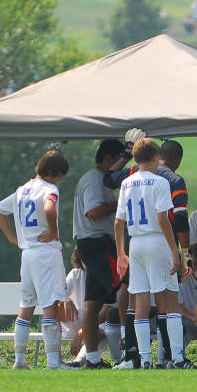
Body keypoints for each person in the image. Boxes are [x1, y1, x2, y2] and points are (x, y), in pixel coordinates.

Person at [106, 134, 190, 369]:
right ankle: (177, 357)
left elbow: (118, 221)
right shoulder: (160, 182)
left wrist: (121, 253)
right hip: (157, 240)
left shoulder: (126, 183)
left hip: (135, 243)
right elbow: (163, 219)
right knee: (170, 299)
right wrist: (175, 251)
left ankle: (144, 358)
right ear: (155, 157)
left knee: (140, 300)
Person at [0, 147, 71, 370]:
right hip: (45, 253)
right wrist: (54, 231)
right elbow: (49, 208)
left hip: (26, 254)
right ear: (54, 173)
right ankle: (53, 361)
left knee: (26, 305)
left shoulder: (22, 190)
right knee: (49, 305)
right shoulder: (50, 189)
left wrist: (12, 238)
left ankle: (19, 360)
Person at [73, 139, 125, 369]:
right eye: (119, 160)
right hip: (98, 244)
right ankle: (127, 349)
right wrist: (119, 203)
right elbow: (93, 211)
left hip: (90, 244)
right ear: (108, 158)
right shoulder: (95, 180)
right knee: (123, 288)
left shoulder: (93, 178)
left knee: (93, 304)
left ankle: (92, 359)